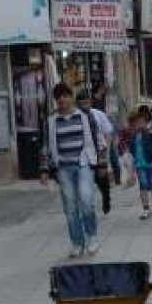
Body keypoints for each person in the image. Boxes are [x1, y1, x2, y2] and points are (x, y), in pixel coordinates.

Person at [40, 83, 108, 258]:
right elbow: (46, 146)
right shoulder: (51, 121)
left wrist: (102, 164)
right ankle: (77, 242)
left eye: (65, 95)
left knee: (86, 201)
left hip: (84, 164)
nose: (62, 99)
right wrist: (44, 170)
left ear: (71, 97)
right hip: (63, 167)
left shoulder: (85, 117)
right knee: (70, 207)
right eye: (58, 97)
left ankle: (92, 237)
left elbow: (99, 140)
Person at [76, 90, 115, 215]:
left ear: (90, 101)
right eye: (81, 103)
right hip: (83, 154)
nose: (84, 105)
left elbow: (108, 132)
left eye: (86, 102)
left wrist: (106, 152)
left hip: (99, 151)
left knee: (102, 179)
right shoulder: (75, 117)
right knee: (85, 183)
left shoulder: (98, 115)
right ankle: (88, 207)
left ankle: (106, 198)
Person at [127, 110, 152, 220]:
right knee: (143, 185)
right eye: (137, 123)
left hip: (151, 163)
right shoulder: (134, 135)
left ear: (145, 122)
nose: (139, 124)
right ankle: (145, 209)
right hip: (139, 165)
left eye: (141, 122)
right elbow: (131, 149)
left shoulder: (151, 132)